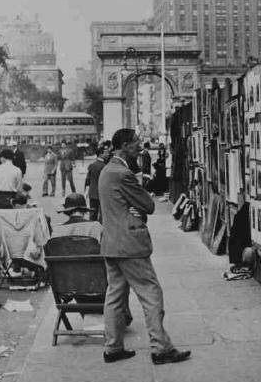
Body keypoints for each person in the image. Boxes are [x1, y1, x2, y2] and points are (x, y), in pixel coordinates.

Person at [98, 128, 190, 365]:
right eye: (137, 143)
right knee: (151, 293)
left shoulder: (107, 170)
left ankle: (113, 348)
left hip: (111, 243)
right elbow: (148, 205)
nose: (141, 147)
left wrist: (132, 206)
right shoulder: (123, 174)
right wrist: (137, 205)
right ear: (125, 145)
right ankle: (161, 349)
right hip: (130, 244)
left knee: (115, 296)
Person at [52, 193, 133, 326]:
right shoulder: (96, 227)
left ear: (67, 212)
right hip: (97, 282)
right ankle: (121, 315)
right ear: (84, 211)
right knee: (121, 273)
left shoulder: (57, 231)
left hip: (67, 284)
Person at [84, 148, 106, 221]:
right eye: (105, 153)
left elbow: (87, 179)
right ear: (101, 154)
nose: (107, 154)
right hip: (101, 193)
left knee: (93, 213)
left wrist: (86, 191)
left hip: (92, 193)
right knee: (102, 213)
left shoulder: (92, 165)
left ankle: (92, 229)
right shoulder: (105, 167)